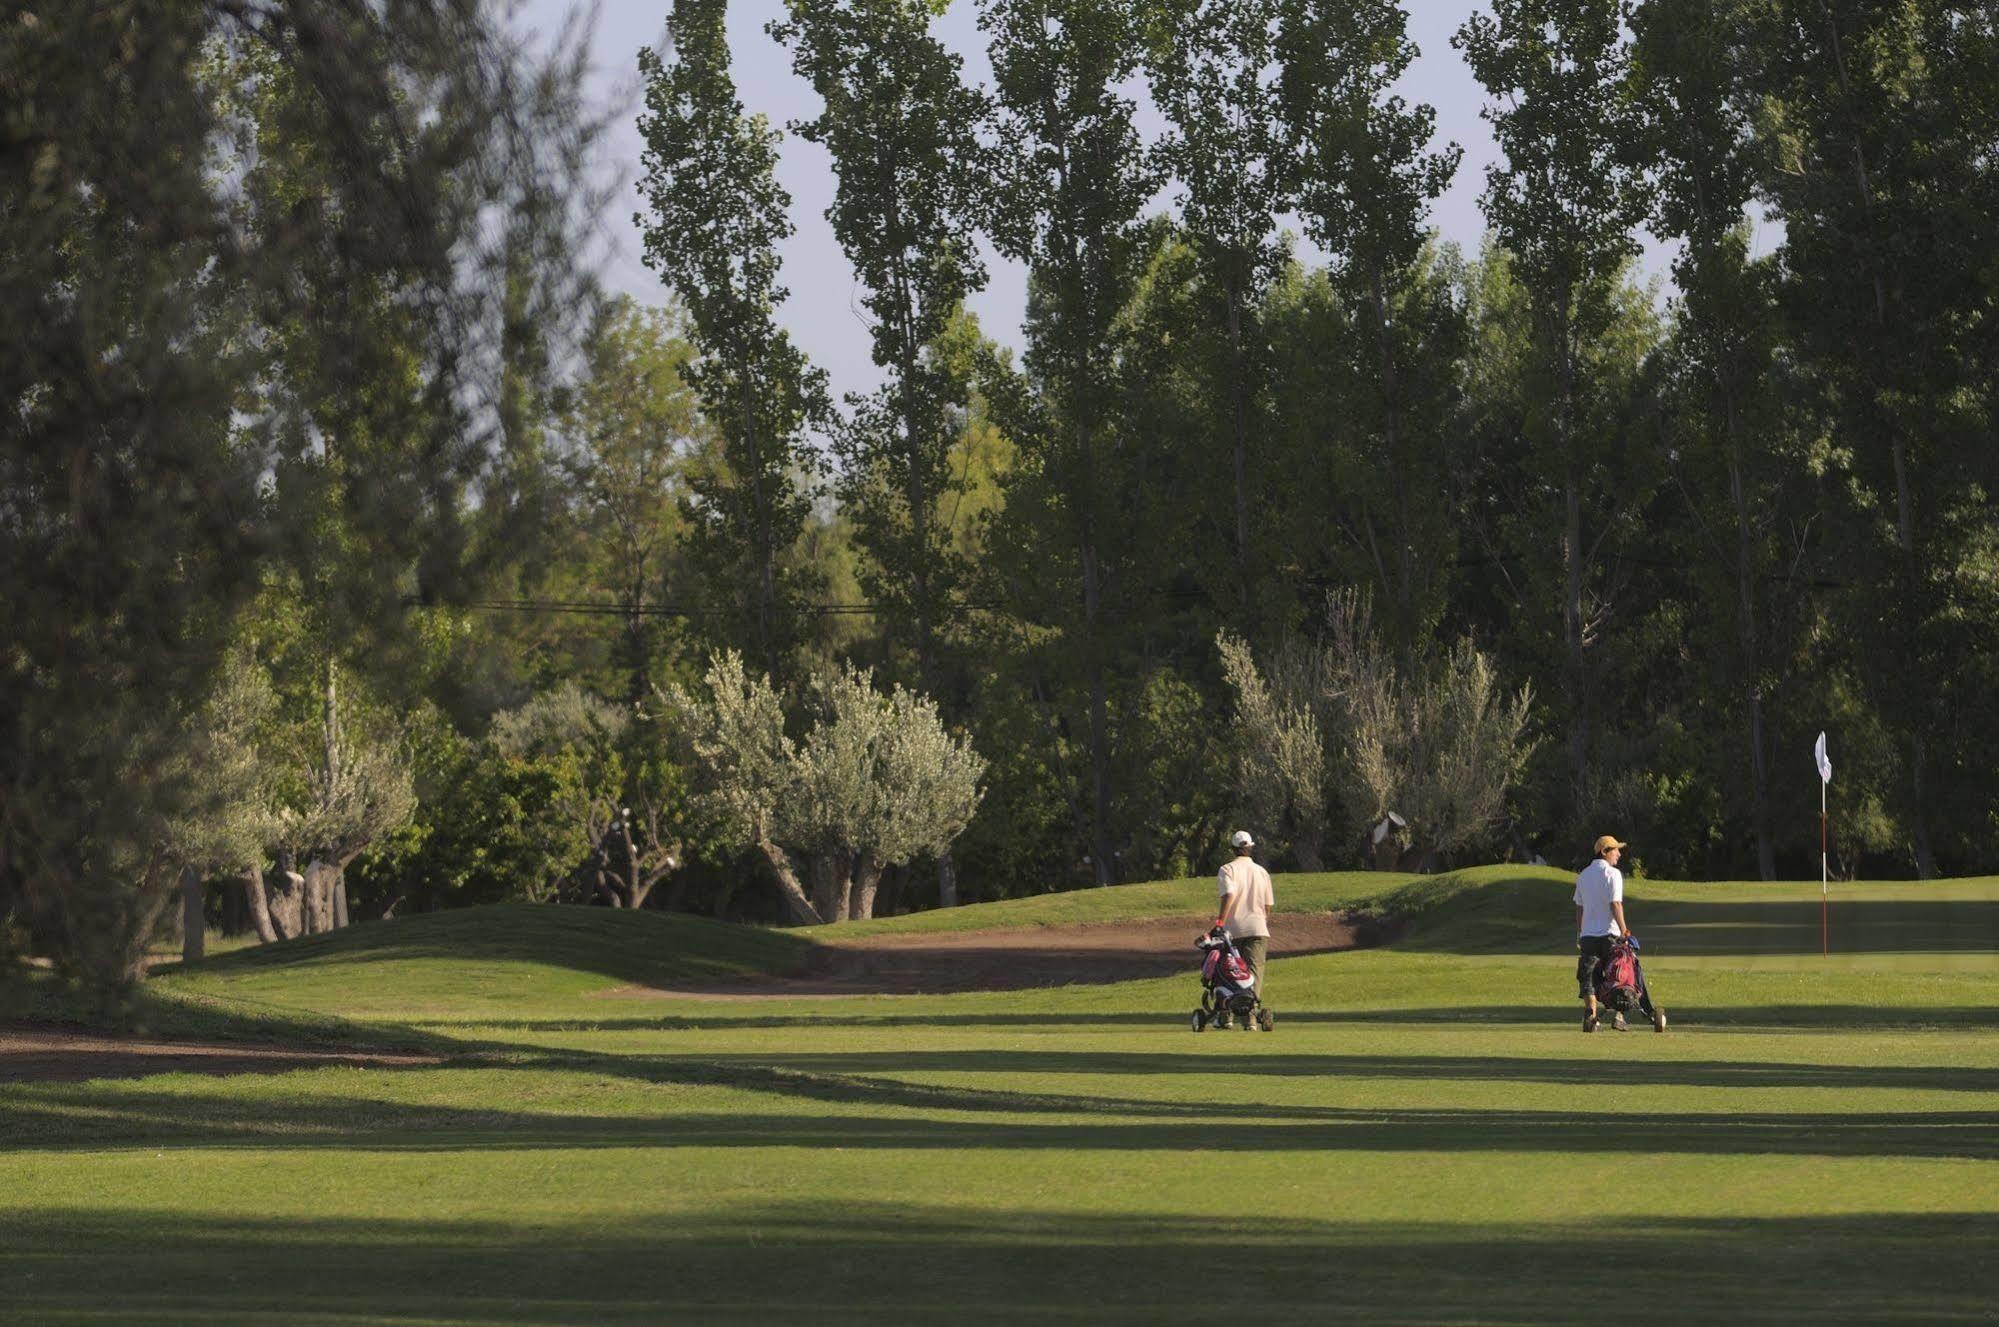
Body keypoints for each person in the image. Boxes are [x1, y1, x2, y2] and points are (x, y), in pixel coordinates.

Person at [1574, 834, 1666, 1032]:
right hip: (1610, 936)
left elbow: (1579, 908)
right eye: (1615, 850)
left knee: (1589, 976)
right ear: (1604, 852)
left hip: (1588, 937)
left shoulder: (1583, 876)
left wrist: (1581, 932)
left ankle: (1592, 1016)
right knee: (1623, 973)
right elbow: (1615, 904)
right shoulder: (1613, 874)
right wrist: (1624, 931)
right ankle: (1620, 1015)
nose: (1619, 854)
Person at [1213, 830, 1274, 1024]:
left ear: (1233, 849)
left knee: (1230, 973)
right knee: (1254, 972)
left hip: (1233, 929)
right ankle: (1250, 1017)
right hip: (1258, 928)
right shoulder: (1261, 871)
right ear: (1250, 848)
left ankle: (1227, 1016)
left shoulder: (1227, 869)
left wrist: (1220, 922)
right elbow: (1268, 906)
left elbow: (1229, 894)